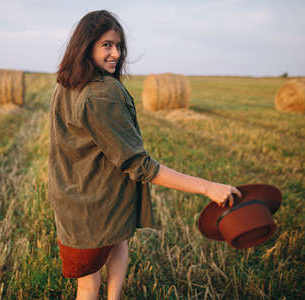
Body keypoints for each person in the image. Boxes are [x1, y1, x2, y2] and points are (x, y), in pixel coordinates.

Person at [49, 10, 241, 300]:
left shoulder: (67, 84)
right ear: (86, 45)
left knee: (117, 242)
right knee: (88, 285)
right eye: (107, 45)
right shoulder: (100, 93)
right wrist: (207, 187)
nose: (115, 53)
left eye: (118, 46)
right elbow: (140, 165)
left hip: (79, 196)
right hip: (93, 205)